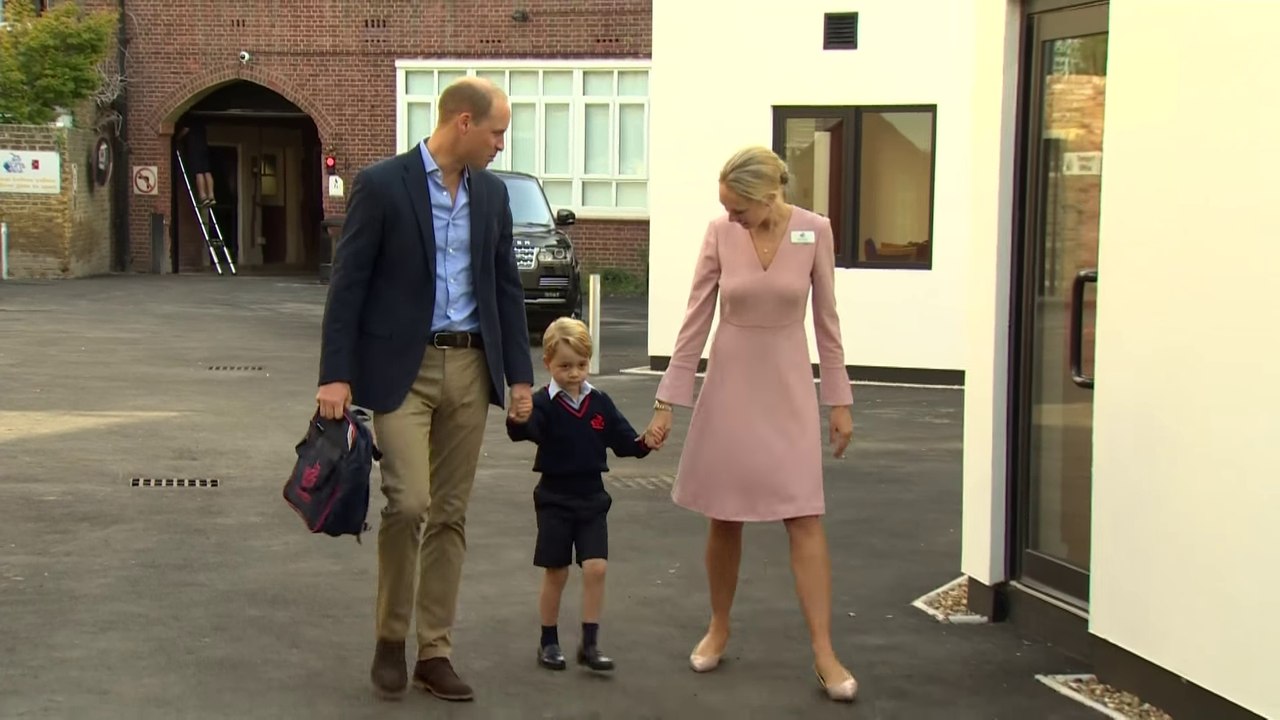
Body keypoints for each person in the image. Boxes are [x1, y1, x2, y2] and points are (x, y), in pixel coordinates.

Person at [315, 77, 534, 703]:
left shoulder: (492, 195)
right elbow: (348, 285)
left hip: (470, 369)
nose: (501, 144)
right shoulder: (383, 185)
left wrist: (520, 377)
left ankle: (434, 652)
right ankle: (391, 636)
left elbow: (505, 289)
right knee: (409, 502)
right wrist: (335, 373)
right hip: (400, 372)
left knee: (450, 514)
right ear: (463, 123)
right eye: (496, 132)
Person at [644, 145, 858, 702]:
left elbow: (827, 320)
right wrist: (669, 398)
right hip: (731, 383)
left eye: (739, 209)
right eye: (727, 209)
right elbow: (696, 317)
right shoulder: (720, 234)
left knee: (804, 515)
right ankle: (718, 626)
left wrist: (839, 399)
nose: (732, 218)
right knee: (725, 514)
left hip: (787, 386)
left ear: (768, 196)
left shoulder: (815, 231)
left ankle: (824, 651)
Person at [507, 317, 658, 674]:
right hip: (554, 498)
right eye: (564, 366)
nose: (574, 373)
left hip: (592, 497)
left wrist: (645, 443)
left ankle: (589, 644)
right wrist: (517, 418)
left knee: (596, 567)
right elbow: (525, 431)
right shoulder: (543, 402)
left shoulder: (600, 403)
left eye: (580, 365)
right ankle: (549, 641)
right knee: (556, 572)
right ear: (547, 364)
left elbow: (624, 442)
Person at [176, 121, 215, 207]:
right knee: (207, 171)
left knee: (199, 172)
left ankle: (203, 197)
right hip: (203, 147)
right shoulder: (202, 119)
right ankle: (211, 196)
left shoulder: (191, 117)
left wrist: (177, 137)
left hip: (194, 148)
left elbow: (186, 129)